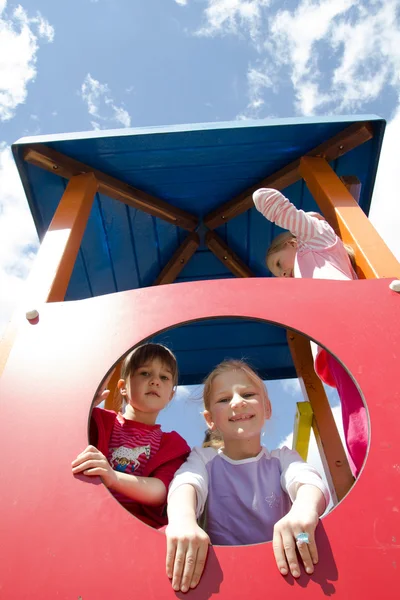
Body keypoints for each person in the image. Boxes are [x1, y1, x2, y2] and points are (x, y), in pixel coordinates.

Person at [165, 360, 329, 593]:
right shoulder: (204, 460)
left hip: (286, 573)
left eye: (248, 394)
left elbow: (308, 481)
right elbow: (186, 483)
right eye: (224, 399)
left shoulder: (281, 459)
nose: (238, 402)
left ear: (267, 408)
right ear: (210, 419)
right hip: (226, 578)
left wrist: (303, 509)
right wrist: (183, 521)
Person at [253, 187, 366, 477]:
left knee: (363, 415)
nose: (284, 275)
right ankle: (364, 464)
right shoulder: (306, 278)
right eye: (279, 275)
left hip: (351, 324)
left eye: (280, 265)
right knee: (356, 417)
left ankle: (367, 457)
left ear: (293, 242)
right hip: (336, 345)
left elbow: (268, 200)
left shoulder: (316, 241)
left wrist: (271, 207)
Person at [71, 343, 190, 528]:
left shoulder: (171, 444)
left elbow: (160, 490)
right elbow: (68, 424)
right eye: (145, 373)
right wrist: (87, 401)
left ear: (171, 395)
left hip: (138, 527)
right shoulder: (100, 421)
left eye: (164, 377)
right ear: (123, 387)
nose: (155, 381)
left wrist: (114, 477)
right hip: (91, 514)